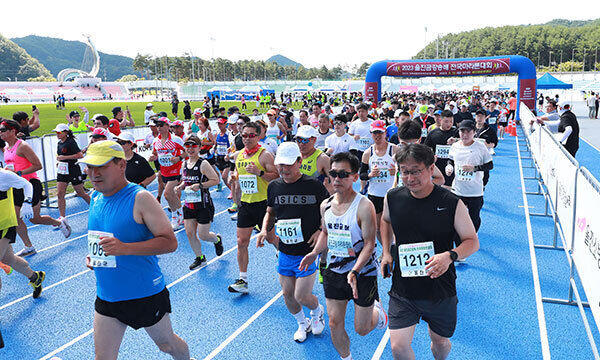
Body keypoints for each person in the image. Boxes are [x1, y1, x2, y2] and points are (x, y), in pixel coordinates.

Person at [79, 140, 191, 360]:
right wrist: (93, 257)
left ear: (121, 165)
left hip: (144, 293)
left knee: (167, 346)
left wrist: (124, 249)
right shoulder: (95, 197)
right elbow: (102, 240)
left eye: (101, 166)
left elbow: (170, 242)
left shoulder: (140, 198)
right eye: (90, 167)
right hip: (108, 294)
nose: (93, 173)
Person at [380, 143, 480, 360]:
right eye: (404, 172)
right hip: (403, 289)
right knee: (397, 347)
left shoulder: (451, 202)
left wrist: (450, 256)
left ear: (431, 168)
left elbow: (472, 241)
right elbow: (385, 221)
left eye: (415, 171)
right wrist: (387, 252)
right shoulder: (393, 197)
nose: (409, 177)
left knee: (440, 343)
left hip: (439, 289)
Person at [299, 152, 387, 360]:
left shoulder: (364, 206)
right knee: (333, 322)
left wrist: (355, 270)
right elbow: (326, 233)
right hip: (335, 271)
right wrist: (314, 252)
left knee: (362, 329)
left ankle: (378, 313)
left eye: (343, 174)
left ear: (355, 177)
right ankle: (346, 357)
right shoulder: (326, 205)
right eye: (333, 173)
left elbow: (370, 244)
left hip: (362, 273)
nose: (336, 179)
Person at [257, 142, 327, 342]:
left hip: (307, 251)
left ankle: (316, 311)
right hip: (285, 251)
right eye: (280, 165)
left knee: (302, 296)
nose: (283, 169)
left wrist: (321, 230)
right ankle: (301, 323)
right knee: (287, 294)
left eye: (288, 165)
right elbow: (270, 212)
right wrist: (263, 230)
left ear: (299, 161)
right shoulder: (274, 187)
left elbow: (329, 210)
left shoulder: (314, 185)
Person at [1, 119, 71, 258]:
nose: (0, 133)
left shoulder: (22, 146)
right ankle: (29, 246)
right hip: (16, 186)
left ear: (12, 131)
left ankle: (58, 222)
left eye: (3, 130)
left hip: (31, 185)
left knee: (35, 218)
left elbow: (38, 165)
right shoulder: (6, 148)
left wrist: (19, 173)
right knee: (15, 218)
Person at [229, 121, 279, 293]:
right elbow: (238, 172)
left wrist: (260, 173)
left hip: (264, 205)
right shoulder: (239, 156)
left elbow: (276, 177)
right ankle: (243, 280)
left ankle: (288, 257)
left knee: (272, 239)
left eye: (251, 135)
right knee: (241, 242)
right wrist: (234, 177)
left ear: (258, 136)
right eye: (244, 135)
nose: (247, 138)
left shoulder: (265, 155)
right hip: (246, 204)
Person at [175, 135, 224, 270]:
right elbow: (186, 180)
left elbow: (215, 180)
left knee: (203, 235)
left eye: (194, 146)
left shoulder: (203, 163)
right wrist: (180, 186)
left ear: (199, 148)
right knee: (190, 233)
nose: (190, 149)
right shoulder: (184, 163)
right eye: (188, 146)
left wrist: (200, 185)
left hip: (203, 204)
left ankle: (217, 240)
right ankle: (200, 257)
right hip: (189, 204)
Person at [0, 169, 46, 299]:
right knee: (8, 259)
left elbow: (27, 184)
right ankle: (35, 277)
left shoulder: (3, 175)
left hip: (3, 226)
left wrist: (27, 202)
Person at [445, 120, 493, 239]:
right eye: (462, 131)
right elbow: (450, 159)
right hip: (458, 189)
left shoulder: (480, 147)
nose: (465, 135)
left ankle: (472, 236)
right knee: (455, 216)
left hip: (475, 191)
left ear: (474, 133)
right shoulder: (455, 146)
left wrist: (475, 168)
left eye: (468, 132)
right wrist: (449, 166)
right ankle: (458, 242)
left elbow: (490, 165)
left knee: (474, 217)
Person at [360, 120, 398, 243]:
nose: (377, 136)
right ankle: (385, 250)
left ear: (385, 133)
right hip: (375, 194)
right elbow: (362, 175)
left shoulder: (394, 149)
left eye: (380, 133)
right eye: (375, 133)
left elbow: (405, 169)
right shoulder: (367, 153)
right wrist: (370, 174)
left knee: (392, 224)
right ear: (371, 134)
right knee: (377, 227)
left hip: (391, 193)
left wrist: (396, 171)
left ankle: (392, 248)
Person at [148, 117, 185, 229]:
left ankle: (175, 218)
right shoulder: (156, 141)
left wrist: (178, 158)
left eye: (161, 125)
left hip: (176, 170)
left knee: (167, 193)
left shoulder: (176, 139)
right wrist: (153, 157)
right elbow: (155, 154)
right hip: (164, 171)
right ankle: (181, 214)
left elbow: (187, 152)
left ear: (168, 126)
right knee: (170, 196)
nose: (159, 128)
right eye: (157, 125)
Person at [53, 123, 91, 219]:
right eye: (56, 133)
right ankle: (62, 217)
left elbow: (80, 155)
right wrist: (60, 161)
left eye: (59, 132)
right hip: (62, 171)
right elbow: (59, 155)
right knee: (60, 194)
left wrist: (65, 157)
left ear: (65, 133)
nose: (57, 134)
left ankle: (95, 208)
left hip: (73, 169)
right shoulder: (59, 143)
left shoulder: (71, 142)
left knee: (80, 193)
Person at [425, 110, 459, 188]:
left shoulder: (456, 132)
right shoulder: (433, 133)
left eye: (451, 121)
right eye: (446, 121)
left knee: (450, 189)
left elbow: (467, 141)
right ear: (441, 120)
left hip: (452, 165)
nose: (449, 124)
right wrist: (431, 156)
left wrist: (456, 140)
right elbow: (426, 148)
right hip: (438, 166)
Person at [348, 103, 374, 193]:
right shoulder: (354, 124)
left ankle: (368, 185)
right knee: (361, 169)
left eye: (363, 111)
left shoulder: (372, 123)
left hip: (370, 149)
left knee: (370, 168)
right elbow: (349, 135)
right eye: (359, 111)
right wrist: (354, 137)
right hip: (358, 150)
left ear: (367, 112)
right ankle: (363, 187)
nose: (361, 113)